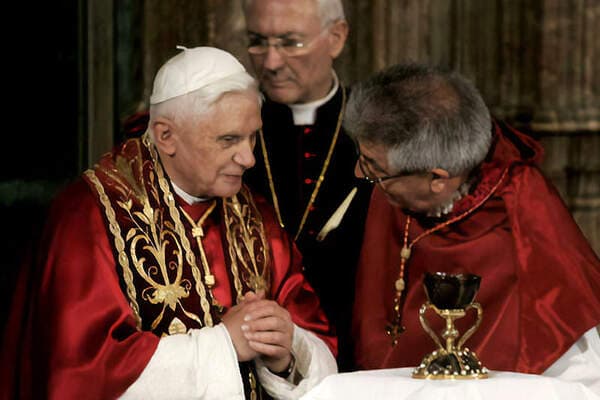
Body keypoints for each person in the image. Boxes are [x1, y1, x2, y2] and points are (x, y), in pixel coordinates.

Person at [1, 46, 338, 400]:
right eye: (229, 140)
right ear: (166, 136)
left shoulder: (254, 216)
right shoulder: (90, 215)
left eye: (253, 136)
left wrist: (285, 353)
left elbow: (313, 339)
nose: (249, 157)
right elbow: (82, 371)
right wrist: (224, 345)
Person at [343, 63, 600, 389]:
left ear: (437, 179)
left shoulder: (524, 213)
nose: (358, 173)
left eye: (372, 167)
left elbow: (574, 371)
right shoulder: (396, 185)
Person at [241, 0, 372, 372]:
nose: (271, 62)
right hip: (251, 348)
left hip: (355, 351)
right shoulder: (229, 129)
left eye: (290, 42)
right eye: (257, 41)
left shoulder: (376, 131)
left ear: (336, 38)